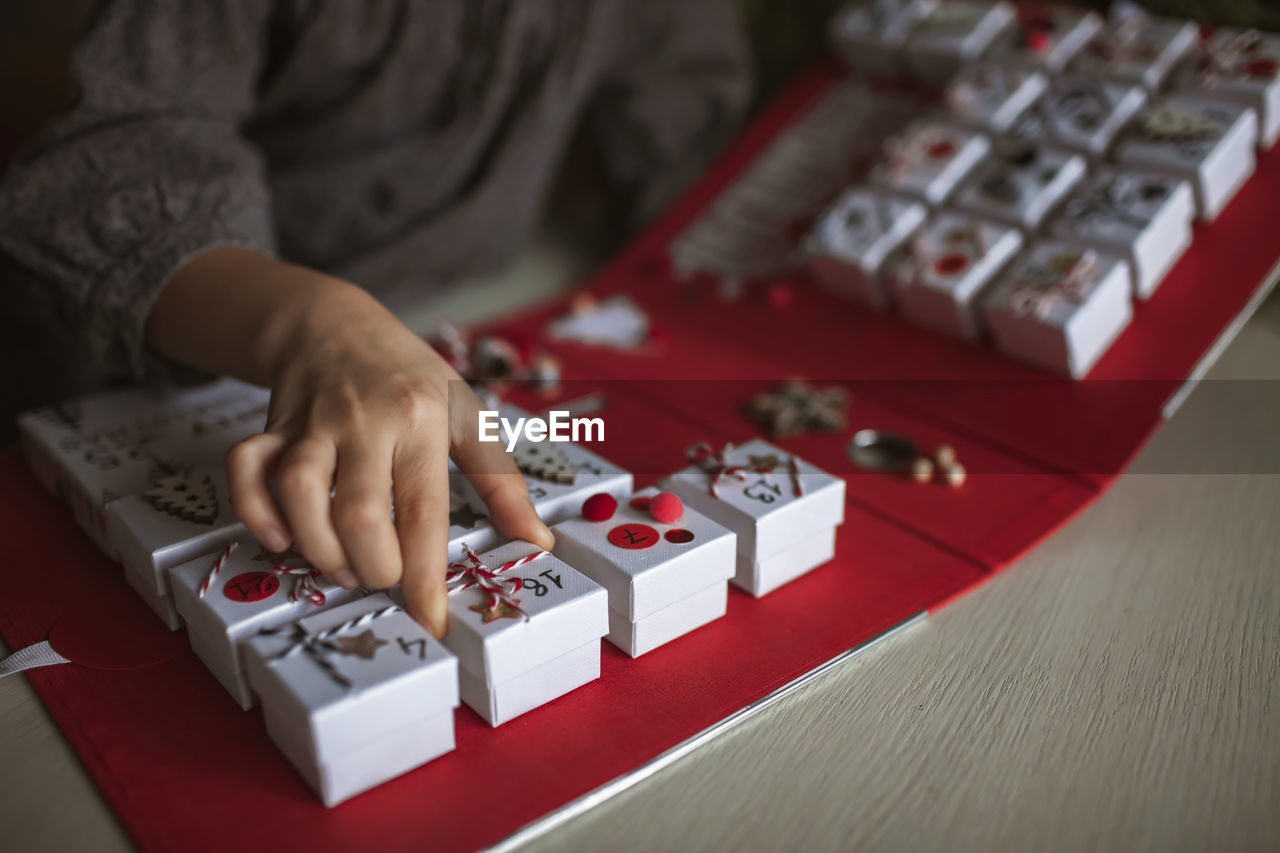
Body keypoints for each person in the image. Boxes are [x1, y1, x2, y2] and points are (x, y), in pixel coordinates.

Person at [0, 0, 753, 637]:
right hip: (162, 338)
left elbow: (693, 134)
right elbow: (121, 149)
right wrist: (310, 324)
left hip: (467, 316)